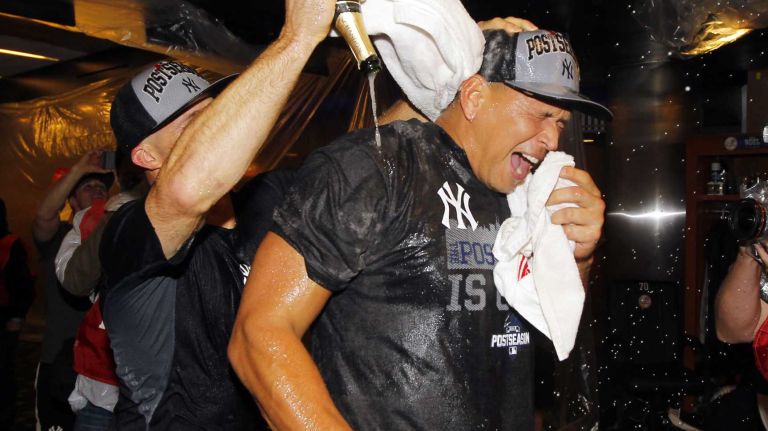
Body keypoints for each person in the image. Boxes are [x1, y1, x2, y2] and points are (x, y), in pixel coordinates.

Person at [228, 28, 609, 430]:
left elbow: (547, 325)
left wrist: (577, 257)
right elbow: (261, 334)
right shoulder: (376, 168)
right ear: (475, 97)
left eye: (561, 122)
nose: (552, 138)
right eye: (541, 114)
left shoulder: (529, 196)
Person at [97, 0, 334, 429]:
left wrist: (438, 86)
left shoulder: (270, 195)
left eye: (214, 111)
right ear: (145, 155)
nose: (218, 126)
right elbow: (185, 191)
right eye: (192, 125)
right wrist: (296, 39)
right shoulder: (127, 234)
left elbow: (364, 164)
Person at [32, 153, 113, 431]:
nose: (97, 190)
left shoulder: (114, 234)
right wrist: (78, 170)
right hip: (60, 362)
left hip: (100, 365)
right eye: (87, 187)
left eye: (102, 188)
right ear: (72, 201)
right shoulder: (60, 237)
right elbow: (44, 215)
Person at [0, 198, 35, 429]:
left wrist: (16, 317)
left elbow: (23, 283)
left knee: (3, 376)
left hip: (3, 322)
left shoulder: (10, 244)